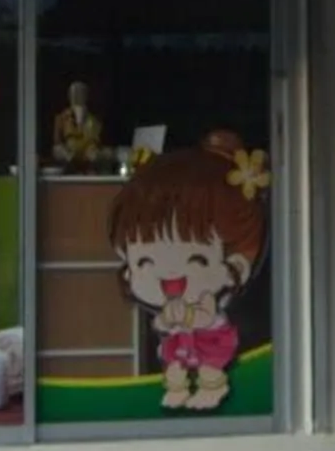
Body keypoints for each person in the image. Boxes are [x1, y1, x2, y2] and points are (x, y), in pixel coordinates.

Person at [107, 129, 269, 412]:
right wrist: (166, 322)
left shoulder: (210, 298)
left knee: (209, 371)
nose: (169, 273)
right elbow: (161, 323)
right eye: (145, 261)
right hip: (181, 342)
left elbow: (206, 315)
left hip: (209, 341)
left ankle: (212, 389)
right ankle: (177, 390)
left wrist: (185, 315)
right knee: (174, 369)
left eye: (197, 260)